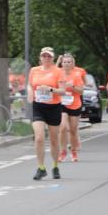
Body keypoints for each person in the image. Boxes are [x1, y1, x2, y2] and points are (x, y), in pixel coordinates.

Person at [27, 47, 66, 180]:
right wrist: (30, 93)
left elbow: (62, 91)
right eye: (44, 56)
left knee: (54, 140)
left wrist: (49, 89)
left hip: (54, 107)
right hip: (38, 106)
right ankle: (41, 168)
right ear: (40, 58)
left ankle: (55, 166)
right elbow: (30, 85)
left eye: (49, 56)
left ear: (53, 58)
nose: (46, 58)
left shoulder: (58, 72)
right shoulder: (34, 70)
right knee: (39, 138)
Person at [58, 52, 86, 162]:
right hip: (62, 104)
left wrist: (72, 87)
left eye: (69, 62)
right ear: (62, 63)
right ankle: (63, 152)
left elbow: (81, 91)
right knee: (63, 127)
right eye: (65, 62)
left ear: (72, 63)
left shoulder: (76, 75)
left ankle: (73, 151)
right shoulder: (58, 74)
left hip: (75, 104)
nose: (67, 64)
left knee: (73, 130)